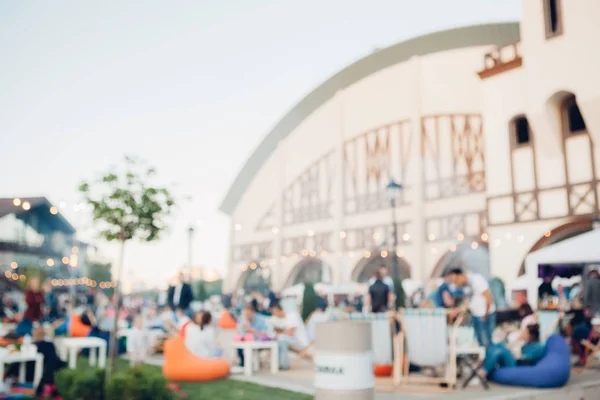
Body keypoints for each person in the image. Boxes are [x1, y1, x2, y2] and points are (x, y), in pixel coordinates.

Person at [478, 324, 545, 382]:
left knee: (502, 352)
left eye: (525, 332)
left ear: (531, 335)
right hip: (515, 360)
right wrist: (516, 341)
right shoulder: (526, 343)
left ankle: (484, 371)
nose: (522, 334)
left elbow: (524, 358)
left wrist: (514, 352)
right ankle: (485, 367)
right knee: (499, 345)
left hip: (518, 365)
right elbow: (510, 347)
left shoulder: (538, 347)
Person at [448, 268, 496, 348]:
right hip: (476, 315)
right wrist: (458, 311)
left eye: (456, 280)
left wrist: (485, 315)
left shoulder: (476, 280)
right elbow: (469, 301)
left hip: (485, 315)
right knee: (480, 342)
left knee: (486, 343)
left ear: (461, 275)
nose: (456, 284)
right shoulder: (465, 286)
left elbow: (489, 298)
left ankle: (490, 359)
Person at [270, 302, 308, 370]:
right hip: (290, 341)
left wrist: (280, 333)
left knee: (281, 339)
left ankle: (283, 365)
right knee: (279, 340)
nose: (274, 314)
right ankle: (277, 363)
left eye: (275, 312)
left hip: (301, 343)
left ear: (280, 310)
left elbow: (290, 333)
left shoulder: (292, 316)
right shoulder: (278, 319)